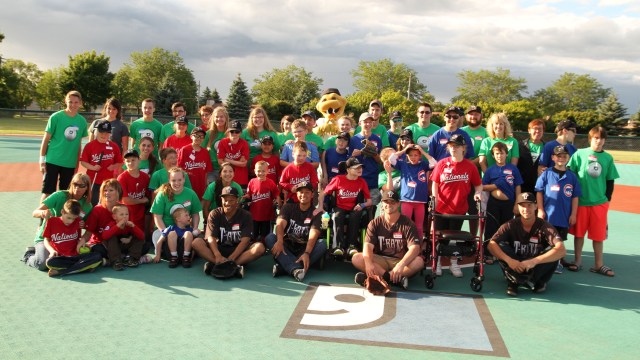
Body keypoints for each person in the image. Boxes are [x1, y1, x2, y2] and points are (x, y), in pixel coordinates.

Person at [487, 192, 567, 296]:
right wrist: (510, 261)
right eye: (522, 206)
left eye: (529, 205)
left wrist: (534, 261)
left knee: (554, 251)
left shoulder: (545, 226)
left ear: (536, 206)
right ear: (518, 207)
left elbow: (562, 250)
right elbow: (491, 244)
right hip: (515, 264)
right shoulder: (510, 225)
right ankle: (514, 282)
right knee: (500, 246)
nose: (526, 209)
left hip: (535, 265)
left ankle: (538, 281)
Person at [567, 126, 620, 277]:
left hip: (599, 203)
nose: (599, 141)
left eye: (602, 138)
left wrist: (607, 201)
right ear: (591, 139)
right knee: (579, 234)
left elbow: (610, 182)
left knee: (598, 235)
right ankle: (577, 261)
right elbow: (571, 174)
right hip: (581, 202)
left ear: (605, 141)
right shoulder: (579, 154)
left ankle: (598, 264)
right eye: (596, 138)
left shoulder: (608, 158)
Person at [430, 134, 483, 277]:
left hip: (459, 209)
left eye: (457, 146)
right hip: (441, 209)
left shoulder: (470, 166)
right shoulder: (442, 163)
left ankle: (454, 263)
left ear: (464, 148)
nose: (453, 148)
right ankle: (438, 262)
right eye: (451, 146)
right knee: (439, 237)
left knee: (455, 239)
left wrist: (477, 194)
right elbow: (435, 183)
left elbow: (478, 185)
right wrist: (434, 198)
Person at [351, 190, 424, 290]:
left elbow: (415, 248)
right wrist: (368, 263)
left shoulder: (408, 223)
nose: (389, 205)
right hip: (381, 260)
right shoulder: (374, 223)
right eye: (386, 202)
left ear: (398, 203)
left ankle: (375, 279)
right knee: (356, 258)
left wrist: (401, 265)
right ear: (382, 204)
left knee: (419, 261)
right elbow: (367, 246)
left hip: (400, 260)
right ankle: (391, 279)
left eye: (392, 202)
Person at [24, 173, 93, 271]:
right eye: (75, 184)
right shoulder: (59, 195)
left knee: (77, 258)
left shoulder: (87, 205)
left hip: (67, 240)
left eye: (82, 186)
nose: (77, 188)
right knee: (42, 263)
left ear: (87, 187)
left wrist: (83, 238)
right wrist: (43, 213)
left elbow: (89, 229)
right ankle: (29, 255)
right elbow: (34, 212)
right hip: (47, 238)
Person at [195, 186, 264, 279]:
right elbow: (211, 238)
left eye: (231, 200)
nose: (227, 203)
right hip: (219, 249)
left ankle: (224, 265)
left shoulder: (246, 215)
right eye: (225, 200)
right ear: (221, 200)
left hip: (238, 251)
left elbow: (245, 241)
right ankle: (225, 265)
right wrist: (217, 255)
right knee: (196, 243)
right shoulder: (214, 213)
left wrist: (232, 258)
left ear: (237, 200)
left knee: (259, 248)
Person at [266, 181, 326, 282]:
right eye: (301, 192)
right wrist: (280, 241)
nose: (303, 195)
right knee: (270, 238)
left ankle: (285, 267)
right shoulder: (288, 207)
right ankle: (296, 268)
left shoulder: (316, 213)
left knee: (322, 244)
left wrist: (306, 253)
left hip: (304, 248)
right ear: (296, 194)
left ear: (312, 195)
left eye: (307, 192)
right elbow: (280, 224)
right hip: (286, 246)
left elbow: (313, 234)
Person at [535, 145, 581, 273]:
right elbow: (539, 192)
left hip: (564, 216)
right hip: (549, 215)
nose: (561, 158)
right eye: (558, 156)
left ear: (568, 158)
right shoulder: (547, 174)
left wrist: (574, 214)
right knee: (545, 239)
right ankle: (544, 261)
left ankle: (558, 262)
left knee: (560, 240)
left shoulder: (571, 176)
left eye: (564, 156)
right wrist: (540, 209)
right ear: (553, 158)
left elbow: (575, 197)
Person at [39, 90, 89, 201]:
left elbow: (78, 144)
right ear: (65, 101)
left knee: (66, 193)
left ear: (80, 103)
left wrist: (76, 163)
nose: (73, 105)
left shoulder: (82, 121)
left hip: (69, 163)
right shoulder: (56, 117)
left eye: (76, 102)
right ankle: (43, 217)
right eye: (70, 102)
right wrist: (42, 160)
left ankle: (62, 217)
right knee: (48, 191)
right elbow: (46, 139)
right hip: (52, 160)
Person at [319, 157, 371, 258]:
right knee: (337, 216)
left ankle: (352, 246)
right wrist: (320, 207)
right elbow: (322, 194)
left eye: (360, 167)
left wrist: (362, 205)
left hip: (354, 208)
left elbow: (369, 201)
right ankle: (338, 246)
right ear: (348, 170)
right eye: (356, 168)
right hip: (339, 207)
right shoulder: (338, 179)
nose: (359, 169)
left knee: (356, 215)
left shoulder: (362, 182)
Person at [387, 143, 437, 239]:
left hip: (420, 201)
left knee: (419, 226)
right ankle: (405, 246)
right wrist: (404, 149)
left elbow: (434, 164)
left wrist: (422, 151)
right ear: (407, 156)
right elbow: (391, 159)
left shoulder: (423, 165)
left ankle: (419, 248)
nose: (413, 157)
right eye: (410, 155)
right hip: (407, 200)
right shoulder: (403, 164)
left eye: (416, 155)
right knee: (406, 225)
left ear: (420, 156)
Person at [43, 199, 103, 277]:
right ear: (62, 212)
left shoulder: (78, 221)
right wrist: (51, 251)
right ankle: (83, 268)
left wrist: (81, 243)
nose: (71, 221)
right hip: (61, 257)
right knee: (49, 262)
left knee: (97, 256)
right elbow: (46, 240)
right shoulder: (51, 221)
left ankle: (62, 271)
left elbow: (77, 239)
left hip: (75, 256)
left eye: (73, 218)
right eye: (68, 218)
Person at [150, 167, 202, 252]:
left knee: (198, 243)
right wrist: (164, 232)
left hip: (185, 230)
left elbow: (195, 214)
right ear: (169, 180)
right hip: (167, 229)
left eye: (179, 180)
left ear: (184, 180)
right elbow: (157, 217)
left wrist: (195, 228)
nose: (177, 183)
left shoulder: (191, 194)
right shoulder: (162, 195)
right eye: (173, 180)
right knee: (161, 242)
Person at [482, 142, 523, 242]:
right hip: (493, 203)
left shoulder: (513, 169)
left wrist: (517, 204)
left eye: (502, 153)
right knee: (491, 227)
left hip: (509, 203)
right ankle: (488, 251)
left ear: (507, 154)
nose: (499, 156)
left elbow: (518, 186)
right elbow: (482, 187)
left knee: (506, 227)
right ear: (493, 155)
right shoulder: (490, 170)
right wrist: (496, 185)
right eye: (497, 154)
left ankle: (504, 250)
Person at [79, 120, 124, 206]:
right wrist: (93, 167)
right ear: (96, 131)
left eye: (107, 133)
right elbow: (83, 162)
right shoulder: (90, 146)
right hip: (93, 180)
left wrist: (114, 166)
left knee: (106, 203)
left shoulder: (114, 146)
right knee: (92, 202)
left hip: (107, 182)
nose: (104, 135)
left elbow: (120, 162)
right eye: (101, 132)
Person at [83, 179, 124, 266]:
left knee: (143, 245)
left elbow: (130, 230)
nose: (107, 193)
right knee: (97, 250)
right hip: (100, 244)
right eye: (105, 190)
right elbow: (88, 232)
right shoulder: (97, 209)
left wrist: (130, 239)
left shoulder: (123, 209)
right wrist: (81, 242)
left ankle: (109, 260)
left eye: (111, 190)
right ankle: (120, 259)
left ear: (118, 192)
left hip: (119, 243)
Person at [461, 105, 487, 237]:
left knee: (473, 210)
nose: (473, 116)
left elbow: (485, 154)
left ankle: (471, 239)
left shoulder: (486, 132)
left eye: (476, 114)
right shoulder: (460, 131)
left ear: (481, 116)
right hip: (459, 176)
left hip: (475, 176)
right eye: (471, 114)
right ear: (466, 116)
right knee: (458, 208)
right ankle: (456, 236)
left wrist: (469, 164)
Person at [349, 112, 383, 206]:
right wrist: (354, 155)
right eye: (365, 122)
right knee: (357, 207)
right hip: (357, 179)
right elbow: (349, 161)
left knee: (372, 206)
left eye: (370, 122)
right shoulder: (353, 139)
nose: (368, 124)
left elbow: (380, 161)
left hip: (372, 179)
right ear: (360, 123)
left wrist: (373, 153)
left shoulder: (377, 139)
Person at [100, 204, 147, 270]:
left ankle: (130, 258)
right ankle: (116, 261)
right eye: (121, 215)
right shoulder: (111, 224)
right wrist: (118, 225)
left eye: (126, 214)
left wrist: (134, 227)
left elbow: (142, 237)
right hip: (113, 248)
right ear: (114, 217)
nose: (125, 216)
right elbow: (104, 236)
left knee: (141, 240)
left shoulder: (129, 225)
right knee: (111, 238)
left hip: (125, 246)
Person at [244, 161, 281, 243]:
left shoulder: (270, 182)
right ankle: (253, 247)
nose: (261, 173)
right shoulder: (252, 182)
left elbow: (276, 194)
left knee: (265, 235)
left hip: (266, 214)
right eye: (258, 171)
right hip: (254, 214)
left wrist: (278, 204)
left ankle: (264, 247)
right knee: (253, 235)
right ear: (255, 171)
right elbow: (249, 194)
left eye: (263, 171)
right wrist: (245, 197)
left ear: (267, 171)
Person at [117, 149, 150, 232]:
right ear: (124, 162)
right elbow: (125, 200)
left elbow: (148, 196)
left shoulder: (145, 177)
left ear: (139, 160)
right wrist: (142, 200)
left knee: (140, 238)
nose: (131, 163)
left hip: (141, 215)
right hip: (126, 216)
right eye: (128, 161)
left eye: (133, 160)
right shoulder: (122, 178)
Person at [178, 127, 213, 200]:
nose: (199, 138)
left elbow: (206, 171)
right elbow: (179, 168)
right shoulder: (185, 150)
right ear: (191, 136)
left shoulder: (205, 152)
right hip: (187, 184)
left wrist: (206, 184)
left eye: (201, 136)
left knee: (199, 206)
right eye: (196, 136)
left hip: (200, 185)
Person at [218, 120, 250, 188]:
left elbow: (243, 164)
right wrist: (237, 162)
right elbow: (220, 161)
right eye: (232, 131)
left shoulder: (244, 143)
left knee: (241, 198)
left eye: (237, 132)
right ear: (228, 132)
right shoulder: (223, 142)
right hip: (226, 178)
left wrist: (227, 160)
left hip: (241, 178)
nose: (234, 134)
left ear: (241, 132)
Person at [518, 119, 545, 193]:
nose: (537, 131)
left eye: (540, 129)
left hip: (539, 187)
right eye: (535, 128)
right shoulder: (520, 145)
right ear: (529, 130)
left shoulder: (547, 148)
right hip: (522, 186)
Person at [204, 106, 230, 183]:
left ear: (226, 118)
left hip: (226, 169)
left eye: (221, 117)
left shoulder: (230, 133)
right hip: (211, 170)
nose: (219, 119)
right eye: (216, 117)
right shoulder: (208, 134)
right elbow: (202, 150)